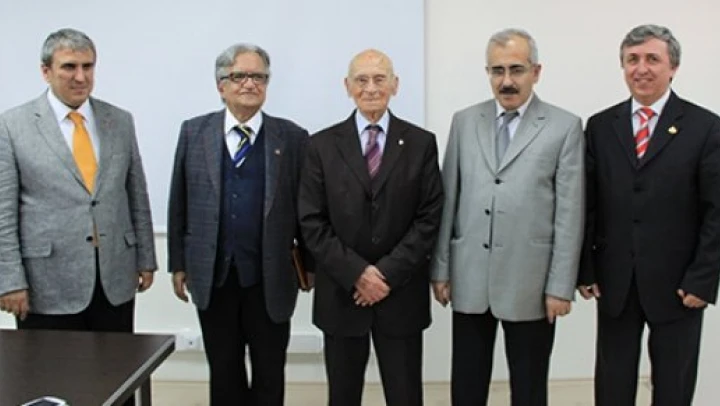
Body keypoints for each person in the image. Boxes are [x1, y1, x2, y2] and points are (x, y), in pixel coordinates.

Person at [431, 28, 585, 406]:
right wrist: (441, 268)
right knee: (466, 386)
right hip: (469, 276)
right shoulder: (465, 121)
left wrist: (560, 285)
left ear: (536, 71)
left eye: (516, 69)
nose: (506, 81)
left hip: (531, 283)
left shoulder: (564, 126)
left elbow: (570, 213)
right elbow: (448, 198)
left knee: (529, 387)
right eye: (496, 70)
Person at [579, 24, 720, 406]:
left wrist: (703, 280)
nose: (641, 68)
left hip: (680, 287)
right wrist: (586, 269)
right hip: (615, 283)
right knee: (612, 387)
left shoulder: (706, 127)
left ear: (673, 67)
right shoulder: (600, 126)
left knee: (673, 388)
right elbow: (589, 203)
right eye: (632, 59)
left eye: (652, 59)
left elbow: (716, 212)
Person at [298, 49, 443, 406]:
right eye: (361, 80)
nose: (371, 88)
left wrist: (385, 275)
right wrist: (358, 274)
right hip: (342, 295)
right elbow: (312, 221)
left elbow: (429, 217)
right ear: (347, 86)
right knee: (343, 397)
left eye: (380, 79)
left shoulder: (421, 143)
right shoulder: (320, 145)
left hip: (400, 294)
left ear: (395, 84)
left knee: (405, 396)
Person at [167, 43, 309, 406]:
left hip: (270, 278)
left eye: (259, 76)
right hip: (214, 276)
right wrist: (178, 263)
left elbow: (307, 209)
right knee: (224, 371)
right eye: (240, 76)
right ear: (221, 85)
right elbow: (179, 201)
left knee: (269, 372)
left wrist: (309, 267)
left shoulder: (293, 138)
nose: (250, 83)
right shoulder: (194, 132)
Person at [0, 28, 157, 333]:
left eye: (88, 66)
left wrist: (146, 258)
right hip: (47, 285)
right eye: (69, 67)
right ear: (46, 71)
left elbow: (136, 194)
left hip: (114, 278)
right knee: (51, 365)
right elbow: (3, 213)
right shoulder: (12, 126)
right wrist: (9, 280)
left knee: (116, 362)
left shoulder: (119, 121)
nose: (81, 77)